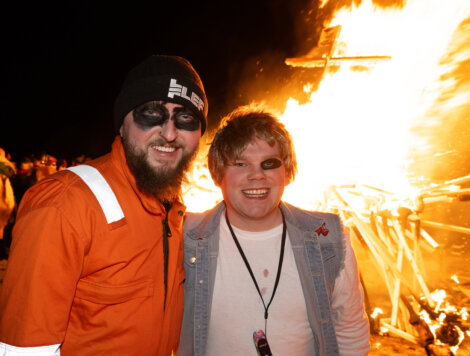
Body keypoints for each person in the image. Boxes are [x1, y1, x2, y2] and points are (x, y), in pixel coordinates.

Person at [0, 54, 208, 355]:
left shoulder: (174, 212)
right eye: (151, 113)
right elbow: (24, 350)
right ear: (122, 125)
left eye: (186, 118)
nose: (170, 132)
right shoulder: (66, 204)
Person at [179, 105, 370, 356]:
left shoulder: (328, 240)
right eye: (240, 164)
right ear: (217, 174)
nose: (257, 176)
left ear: (287, 172)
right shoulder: (187, 239)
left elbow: (350, 333)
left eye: (269, 164)